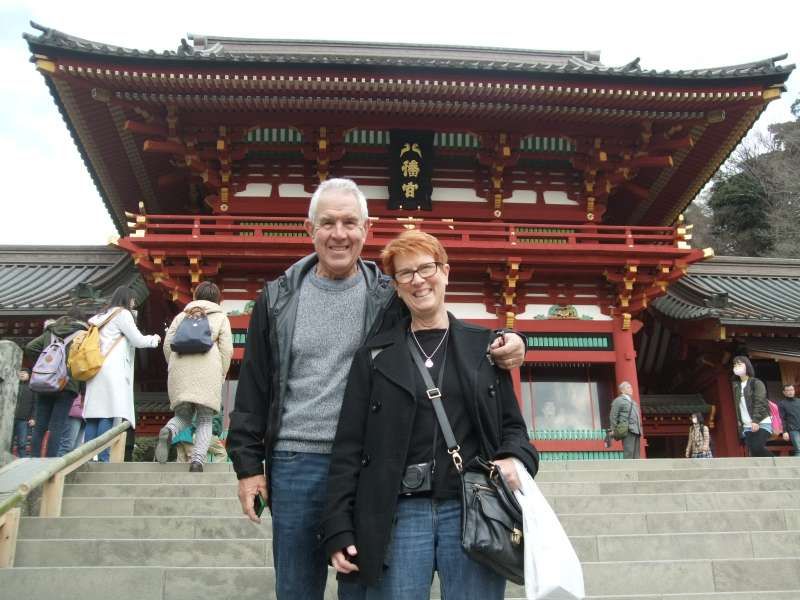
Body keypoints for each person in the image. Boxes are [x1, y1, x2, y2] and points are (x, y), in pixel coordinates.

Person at [226, 178, 526, 600]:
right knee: (296, 586)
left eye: (350, 222)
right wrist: (248, 465)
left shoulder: (387, 294)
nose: (339, 233)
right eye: (327, 222)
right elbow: (253, 386)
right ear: (309, 229)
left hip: (371, 465)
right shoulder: (278, 299)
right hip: (296, 460)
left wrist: (509, 337)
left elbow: (441, 322)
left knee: (362, 587)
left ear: (367, 228)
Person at [321, 230, 538, 598]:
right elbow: (348, 446)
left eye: (426, 268)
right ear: (396, 286)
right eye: (406, 273)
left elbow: (513, 429)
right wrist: (338, 525)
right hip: (401, 513)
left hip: (471, 509)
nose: (418, 280)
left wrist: (514, 458)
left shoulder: (483, 348)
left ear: (446, 272)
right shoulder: (374, 356)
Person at [157, 281, 233, 472]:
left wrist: (174, 366)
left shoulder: (181, 316)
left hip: (180, 368)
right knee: (205, 419)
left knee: (183, 415)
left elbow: (167, 345)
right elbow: (227, 349)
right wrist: (222, 373)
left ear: (196, 296)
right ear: (217, 299)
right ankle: (198, 461)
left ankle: (169, 430)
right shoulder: (220, 317)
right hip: (208, 371)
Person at [83, 286, 161, 461]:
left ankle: (87, 456)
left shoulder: (100, 317)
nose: (134, 303)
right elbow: (138, 339)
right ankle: (103, 456)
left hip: (95, 368)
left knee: (94, 414)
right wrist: (154, 339)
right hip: (113, 369)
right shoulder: (122, 314)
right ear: (127, 299)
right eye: (133, 300)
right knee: (109, 412)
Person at [25, 308, 87, 457]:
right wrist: (82, 388)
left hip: (46, 382)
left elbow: (30, 347)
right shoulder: (82, 334)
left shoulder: (50, 331)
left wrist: (43, 367)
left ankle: (34, 457)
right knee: (57, 424)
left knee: (40, 424)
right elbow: (84, 361)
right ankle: (50, 460)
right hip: (67, 384)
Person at [731, 355, 772, 457]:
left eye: (739, 364)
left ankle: (779, 462)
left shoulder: (756, 383)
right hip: (746, 425)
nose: (736, 366)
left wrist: (756, 420)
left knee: (757, 448)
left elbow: (760, 402)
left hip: (761, 421)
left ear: (747, 366)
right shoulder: (736, 386)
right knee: (754, 452)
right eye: (735, 364)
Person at [609, 381, 642, 459]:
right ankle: (628, 471)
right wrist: (613, 429)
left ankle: (635, 470)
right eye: (628, 387)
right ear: (622, 390)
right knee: (629, 452)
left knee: (636, 454)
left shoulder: (633, 402)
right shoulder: (618, 401)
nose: (631, 389)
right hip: (627, 429)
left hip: (636, 430)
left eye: (631, 387)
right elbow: (613, 416)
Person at [11, 369, 36, 457]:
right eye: (20, 372)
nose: (22, 374)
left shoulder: (32, 388)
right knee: (7, 442)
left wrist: (33, 418)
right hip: (10, 418)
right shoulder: (12, 385)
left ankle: (22, 462)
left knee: (22, 443)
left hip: (24, 420)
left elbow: (35, 404)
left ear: (29, 375)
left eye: (24, 373)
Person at [779, 383, 800, 456]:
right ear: (784, 393)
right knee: (798, 449)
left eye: (791, 390)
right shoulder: (782, 403)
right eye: (787, 390)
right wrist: (785, 431)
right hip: (793, 429)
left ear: (794, 391)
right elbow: (782, 418)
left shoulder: (799, 401)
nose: (790, 392)